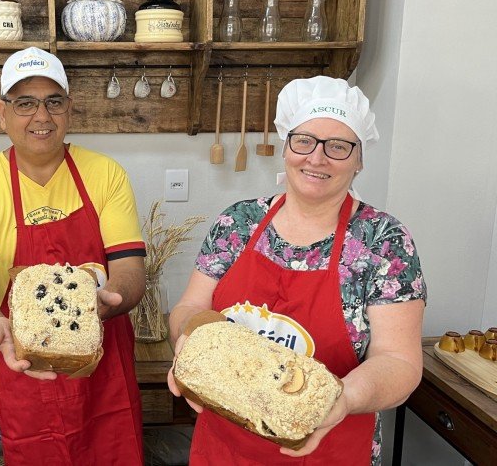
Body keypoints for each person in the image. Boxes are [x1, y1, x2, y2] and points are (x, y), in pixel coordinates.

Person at [167, 76, 426, 465]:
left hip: (331, 449)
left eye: (338, 146)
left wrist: (341, 400)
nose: (317, 158)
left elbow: (400, 363)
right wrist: (192, 343)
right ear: (286, 147)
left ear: (359, 160)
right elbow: (188, 309)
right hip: (225, 448)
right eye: (304, 140)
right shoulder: (238, 223)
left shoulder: (383, 241)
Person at [0, 47, 147, 465]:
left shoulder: (105, 173)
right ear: (2, 113)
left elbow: (128, 270)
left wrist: (102, 305)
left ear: (69, 110)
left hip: (104, 369)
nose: (41, 116)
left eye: (54, 101)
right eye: (25, 103)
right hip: (20, 363)